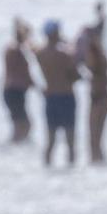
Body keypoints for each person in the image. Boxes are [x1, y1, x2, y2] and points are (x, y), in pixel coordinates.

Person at [33, 20, 81, 167]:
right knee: (70, 141)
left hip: (51, 97)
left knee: (50, 140)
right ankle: (71, 170)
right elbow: (76, 75)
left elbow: (30, 44)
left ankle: (46, 170)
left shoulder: (40, 54)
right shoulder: (65, 54)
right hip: (66, 97)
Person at [80, 6, 107, 165]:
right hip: (101, 97)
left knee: (94, 139)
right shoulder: (99, 52)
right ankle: (99, 166)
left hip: (99, 98)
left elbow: (89, 68)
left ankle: (97, 166)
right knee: (95, 140)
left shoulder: (96, 55)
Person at [1, 19, 34, 144]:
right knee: (22, 124)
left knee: (20, 123)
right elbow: (23, 72)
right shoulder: (16, 50)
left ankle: (16, 149)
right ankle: (16, 149)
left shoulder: (12, 48)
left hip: (13, 90)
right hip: (14, 90)